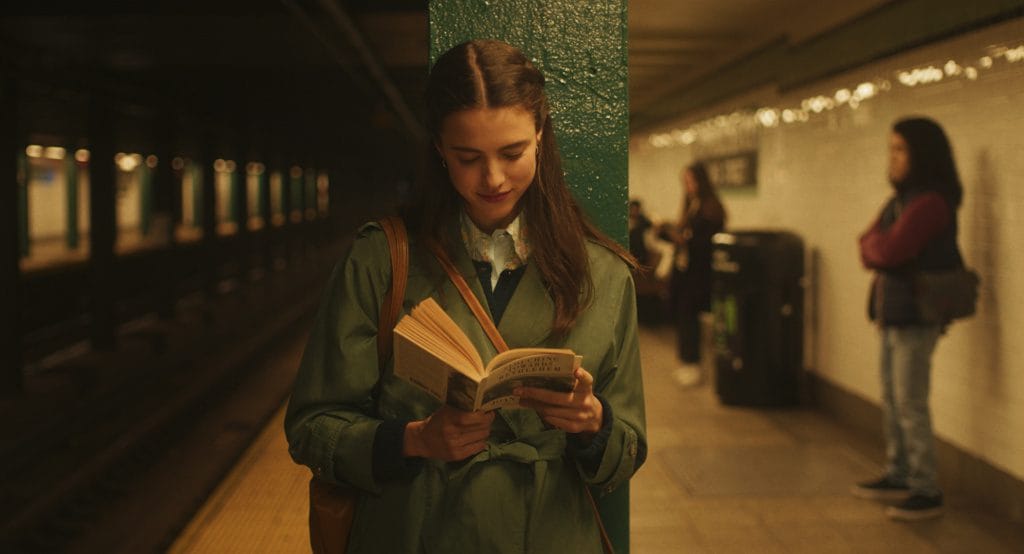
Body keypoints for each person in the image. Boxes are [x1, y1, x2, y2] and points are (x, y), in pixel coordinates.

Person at [285, 39, 647, 553]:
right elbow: (311, 427)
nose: (494, 178)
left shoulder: (604, 274)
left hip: (549, 534)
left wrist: (593, 424)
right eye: (468, 157)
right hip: (417, 531)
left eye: (513, 152)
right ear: (438, 148)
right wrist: (413, 439)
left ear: (541, 135)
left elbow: (629, 449)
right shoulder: (383, 260)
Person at [853, 117, 965, 521]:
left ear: (921, 154)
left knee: (910, 400)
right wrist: (877, 246)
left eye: (899, 149)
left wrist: (878, 246)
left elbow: (888, 251)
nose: (893, 158)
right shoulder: (901, 200)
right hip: (894, 313)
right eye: (891, 149)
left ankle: (925, 487)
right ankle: (899, 471)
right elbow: (866, 243)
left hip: (918, 316)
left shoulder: (931, 203)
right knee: (893, 395)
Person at [659, 162, 725, 386]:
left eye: (690, 181)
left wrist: (682, 238)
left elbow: (702, 242)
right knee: (684, 317)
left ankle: (693, 364)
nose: (687, 186)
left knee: (690, 317)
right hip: (685, 272)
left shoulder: (710, 209)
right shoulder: (693, 205)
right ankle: (688, 362)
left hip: (698, 274)